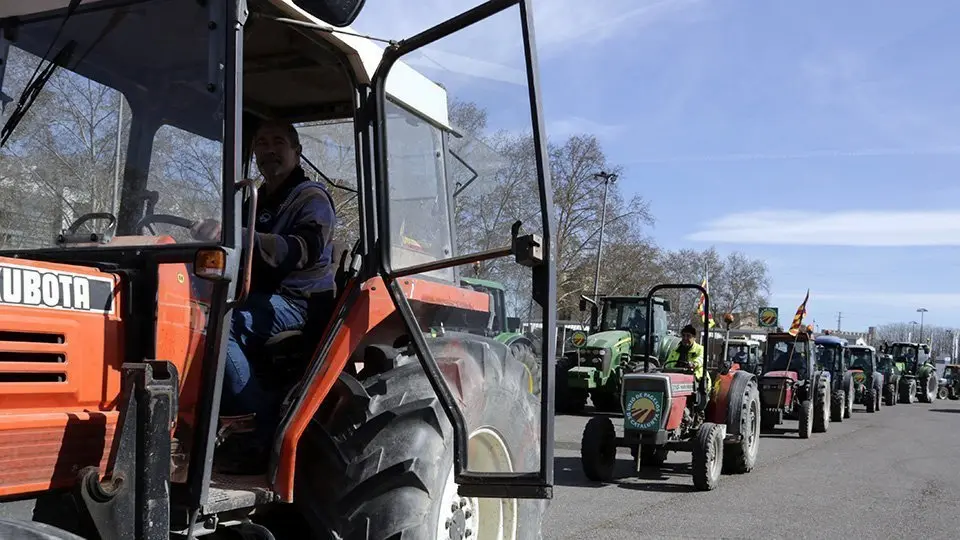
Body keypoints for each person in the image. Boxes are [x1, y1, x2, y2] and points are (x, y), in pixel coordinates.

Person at [192, 119, 337, 473]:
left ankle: (261, 426)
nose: (269, 150)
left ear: (296, 151)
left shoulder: (311, 198)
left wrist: (238, 235)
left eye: (278, 142)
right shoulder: (256, 199)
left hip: (297, 301)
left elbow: (302, 250)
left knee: (215, 328)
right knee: (184, 309)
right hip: (257, 295)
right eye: (261, 143)